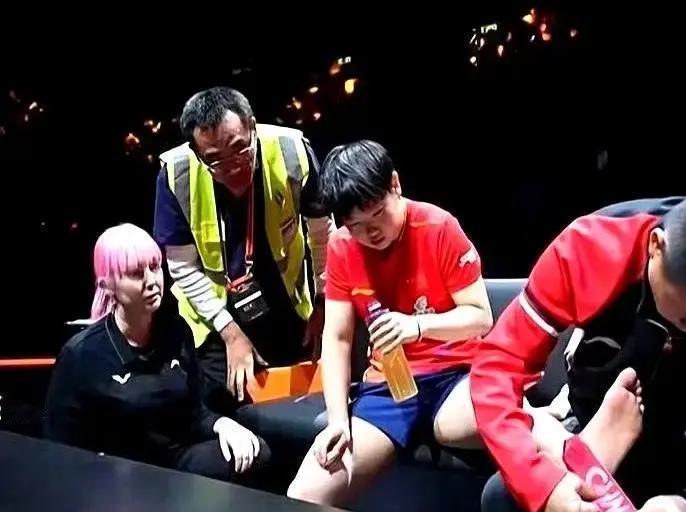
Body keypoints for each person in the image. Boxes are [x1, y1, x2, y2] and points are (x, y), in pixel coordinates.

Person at [471, 189, 686, 512]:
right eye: (685, 318)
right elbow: (500, 366)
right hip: (599, 417)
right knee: (504, 495)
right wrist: (541, 485)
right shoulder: (592, 247)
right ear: (656, 246)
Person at [286, 140, 494, 506]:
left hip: (457, 374)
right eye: (356, 225)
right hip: (389, 387)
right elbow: (337, 339)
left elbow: (480, 317)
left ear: (395, 185)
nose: (371, 233)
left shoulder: (439, 225)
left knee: (496, 424)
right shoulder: (341, 247)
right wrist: (338, 419)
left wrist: (418, 327)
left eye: (378, 214)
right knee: (303, 495)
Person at [153, 87, 334, 414]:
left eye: (239, 149)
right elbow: (182, 268)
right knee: (226, 411)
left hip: (285, 305)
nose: (233, 166)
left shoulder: (292, 152)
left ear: (252, 126)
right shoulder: (177, 174)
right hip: (214, 317)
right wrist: (230, 333)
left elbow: (322, 236)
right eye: (215, 159)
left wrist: (323, 302)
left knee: (298, 409)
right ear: (197, 152)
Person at [44, 224, 271, 482]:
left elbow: (196, 413)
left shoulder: (177, 331)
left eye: (154, 267)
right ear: (108, 286)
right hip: (116, 475)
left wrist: (222, 424)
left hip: (175, 463)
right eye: (136, 273)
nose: (151, 281)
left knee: (255, 451)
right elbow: (59, 445)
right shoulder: (81, 353)